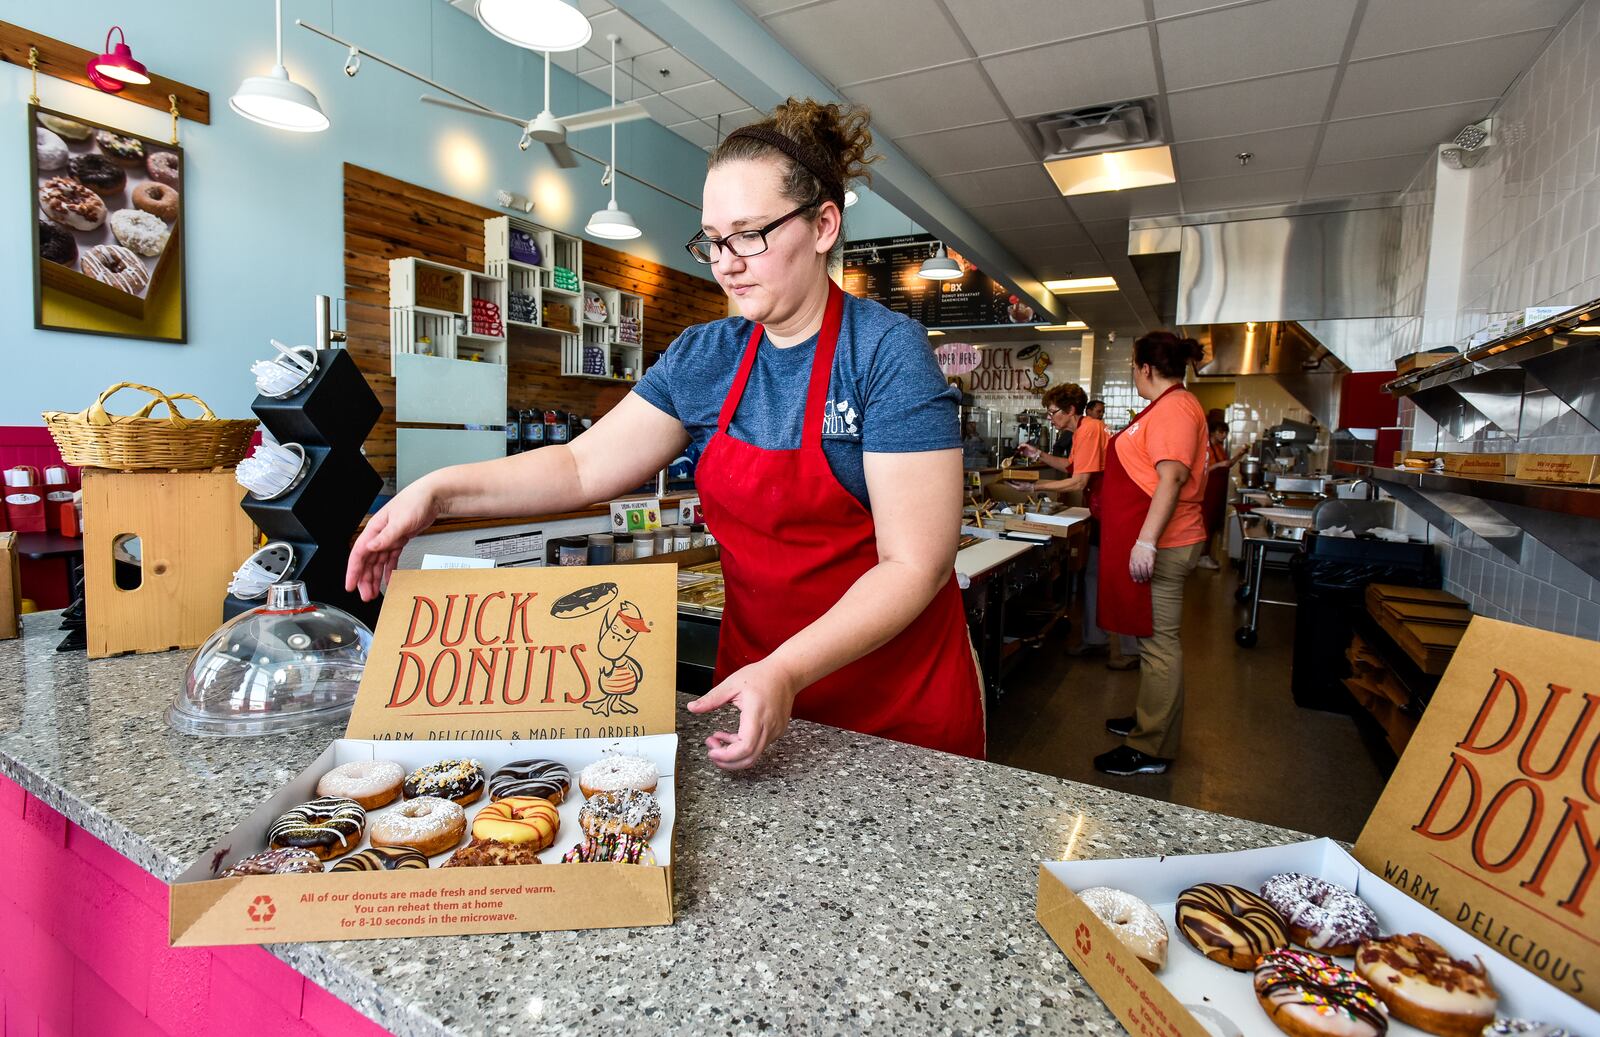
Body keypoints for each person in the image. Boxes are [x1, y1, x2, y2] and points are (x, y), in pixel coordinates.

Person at [346, 99, 985, 771]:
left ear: (824, 224)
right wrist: (435, 493)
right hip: (753, 698)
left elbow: (915, 563)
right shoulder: (703, 357)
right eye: (712, 239)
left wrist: (789, 669)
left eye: (749, 234)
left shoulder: (885, 352)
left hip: (898, 713)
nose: (725, 262)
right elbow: (578, 468)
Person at [1092, 331, 1210, 776]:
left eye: (1133, 365)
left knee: (1160, 646)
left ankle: (1152, 747)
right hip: (1160, 540)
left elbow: (1173, 479)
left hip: (1168, 542)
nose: (1133, 372)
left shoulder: (1177, 407)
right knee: (1149, 639)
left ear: (1145, 368)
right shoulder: (1164, 407)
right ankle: (1148, 719)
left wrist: (1145, 541)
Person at [1015, 383, 1135, 669]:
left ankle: (1130, 650)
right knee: (1093, 574)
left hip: (1115, 514)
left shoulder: (1090, 429)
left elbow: (1079, 481)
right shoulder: (1081, 431)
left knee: (1116, 581)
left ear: (1070, 410)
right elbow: (1072, 467)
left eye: (1053, 412)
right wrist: (1039, 456)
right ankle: (1095, 639)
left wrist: (1033, 485)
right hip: (1101, 512)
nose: (1050, 417)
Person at [1197, 419, 1247, 570]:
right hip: (1208, 489)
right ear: (1213, 432)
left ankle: (1206, 555)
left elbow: (1227, 464)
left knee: (1214, 522)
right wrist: (1219, 465)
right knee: (1207, 521)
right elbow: (1202, 470)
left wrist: (1240, 455)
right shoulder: (1205, 448)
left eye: (1226, 433)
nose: (1224, 435)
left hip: (1218, 489)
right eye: (1221, 432)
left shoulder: (1219, 447)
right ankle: (1201, 556)